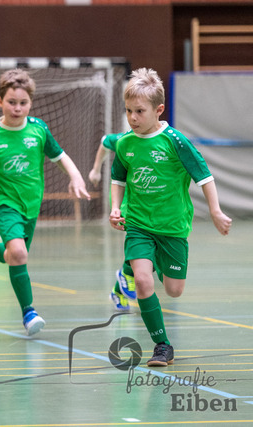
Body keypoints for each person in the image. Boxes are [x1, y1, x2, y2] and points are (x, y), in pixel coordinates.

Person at [109, 68, 232, 367]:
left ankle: (138, 266)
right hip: (138, 224)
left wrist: (215, 211)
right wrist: (116, 207)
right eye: (128, 111)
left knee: (174, 291)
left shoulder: (175, 141)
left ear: (159, 109)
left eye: (139, 111)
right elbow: (118, 178)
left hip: (173, 227)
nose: (133, 117)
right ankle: (162, 345)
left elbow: (204, 176)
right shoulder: (124, 143)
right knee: (143, 281)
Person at [0, 69, 90, 336]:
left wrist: (75, 176)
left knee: (13, 256)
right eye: (11, 102)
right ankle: (29, 313)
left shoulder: (38, 129)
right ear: (0, 101)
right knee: (19, 253)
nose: (17, 108)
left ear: (30, 103)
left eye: (23, 103)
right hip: (4, 204)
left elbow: (60, 156)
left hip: (31, 206)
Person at [88, 133, 137, 311]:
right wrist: (96, 170)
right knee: (140, 237)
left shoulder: (163, 140)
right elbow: (104, 142)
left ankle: (118, 290)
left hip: (150, 201)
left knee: (153, 250)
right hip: (126, 198)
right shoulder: (125, 139)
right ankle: (125, 273)